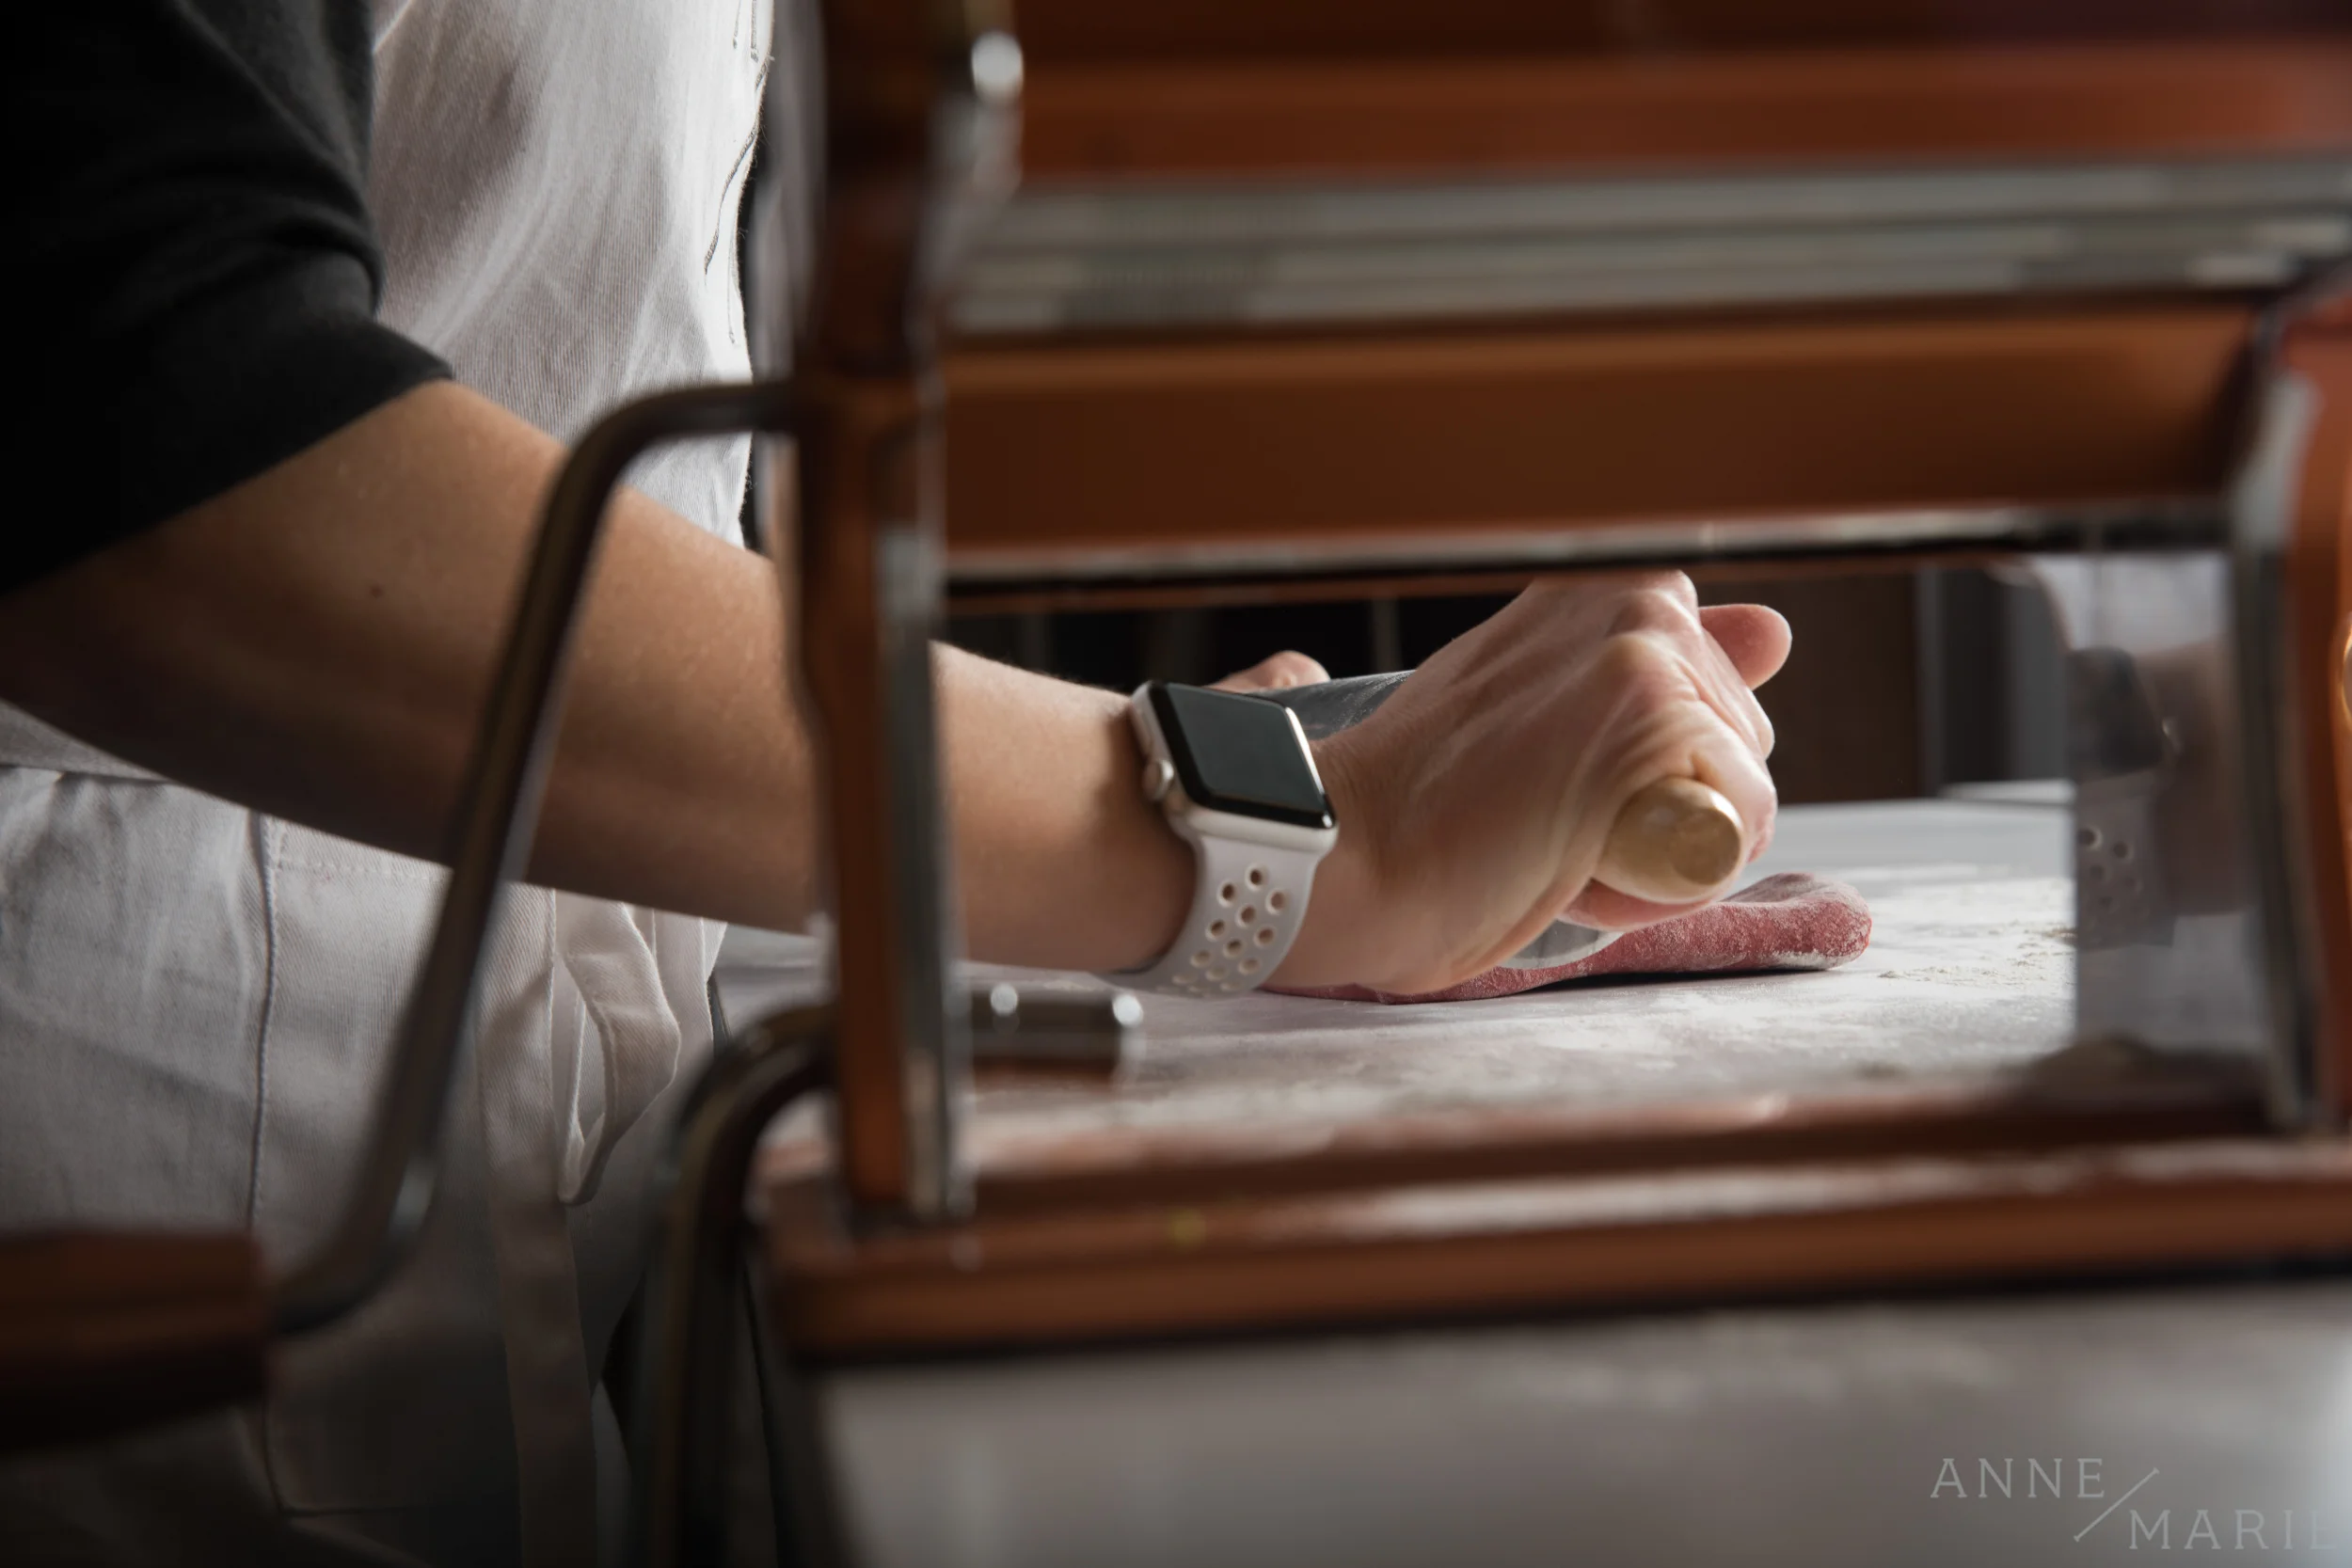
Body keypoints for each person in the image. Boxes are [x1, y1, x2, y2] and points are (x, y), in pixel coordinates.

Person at [0, 2, 1788, 1561]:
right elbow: (150, 458)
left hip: (436, 1213)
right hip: (123, 1236)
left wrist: (1233, 769)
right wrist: (1253, 839)